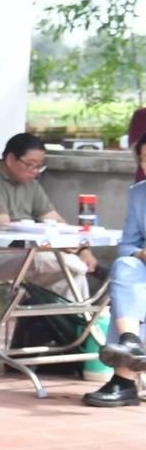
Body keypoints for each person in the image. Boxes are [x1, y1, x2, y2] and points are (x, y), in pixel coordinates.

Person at [0, 132, 97, 294]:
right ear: (10, 159)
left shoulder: (31, 184)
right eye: (31, 164)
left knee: (72, 277)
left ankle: (75, 311)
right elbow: (4, 229)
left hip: (27, 254)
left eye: (40, 166)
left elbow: (54, 219)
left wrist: (82, 249)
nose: (36, 171)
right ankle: (83, 268)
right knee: (47, 259)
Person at [90, 135, 146, 407]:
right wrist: (140, 254)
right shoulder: (139, 193)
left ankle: (123, 380)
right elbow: (126, 246)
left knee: (135, 297)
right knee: (125, 266)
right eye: (144, 160)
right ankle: (130, 341)